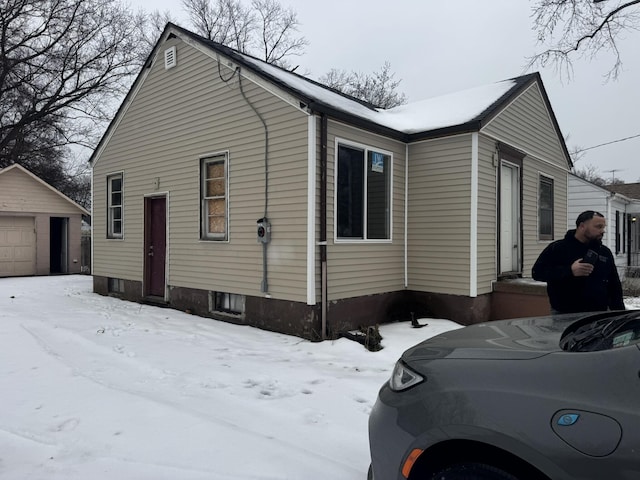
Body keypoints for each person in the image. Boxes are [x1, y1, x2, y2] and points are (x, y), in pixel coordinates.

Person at [532, 210, 625, 314]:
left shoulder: (604, 252)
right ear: (582, 226)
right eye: (598, 227)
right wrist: (569, 271)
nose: (603, 231)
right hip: (565, 314)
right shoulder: (558, 248)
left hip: (599, 314)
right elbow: (537, 273)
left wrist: (620, 312)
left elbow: (614, 284)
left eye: (603, 227)